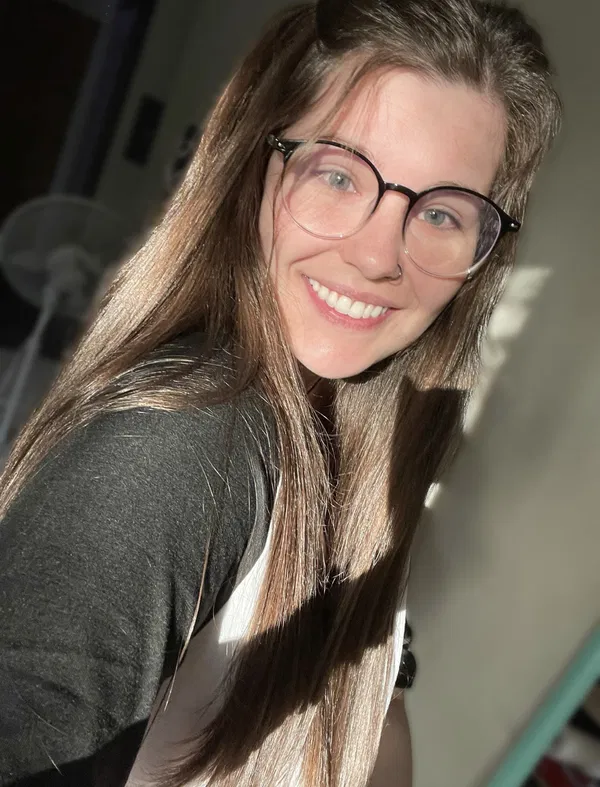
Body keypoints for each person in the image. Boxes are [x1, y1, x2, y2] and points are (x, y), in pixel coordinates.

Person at [0, 0, 562, 785]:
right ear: (257, 166)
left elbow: (378, 694)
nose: (378, 256)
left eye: (441, 212)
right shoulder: (179, 448)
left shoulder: (360, 433)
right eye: (337, 174)